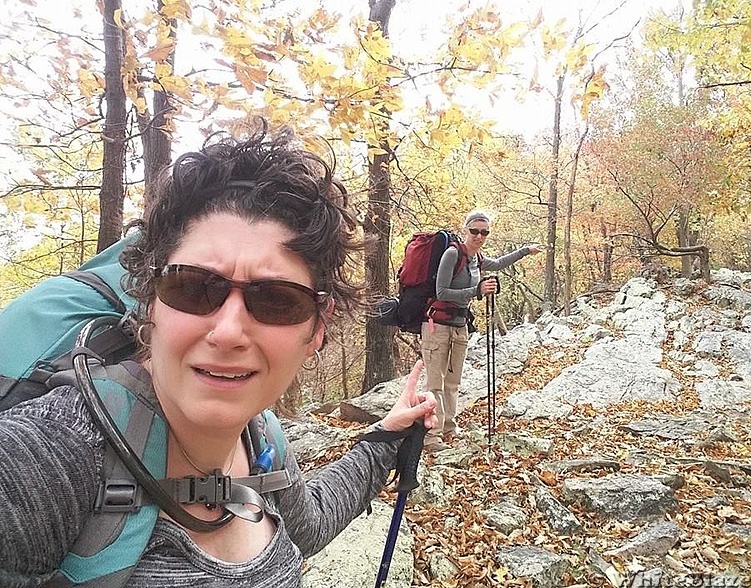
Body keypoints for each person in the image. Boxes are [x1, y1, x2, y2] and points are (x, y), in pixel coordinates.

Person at [0, 125, 437, 586]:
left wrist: (386, 438)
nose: (228, 332)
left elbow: (308, 525)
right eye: (193, 287)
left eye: (276, 299)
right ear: (150, 301)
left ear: (317, 328)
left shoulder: (261, 440)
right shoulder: (49, 455)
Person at [421, 209, 543, 452]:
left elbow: (498, 264)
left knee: (453, 382)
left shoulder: (476, 258)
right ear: (465, 230)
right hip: (437, 327)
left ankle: (449, 428)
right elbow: (441, 292)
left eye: (484, 232)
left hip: (459, 325)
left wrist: (525, 251)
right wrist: (477, 291)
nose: (479, 236)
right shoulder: (452, 254)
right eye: (475, 231)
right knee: (435, 383)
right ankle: (431, 437)